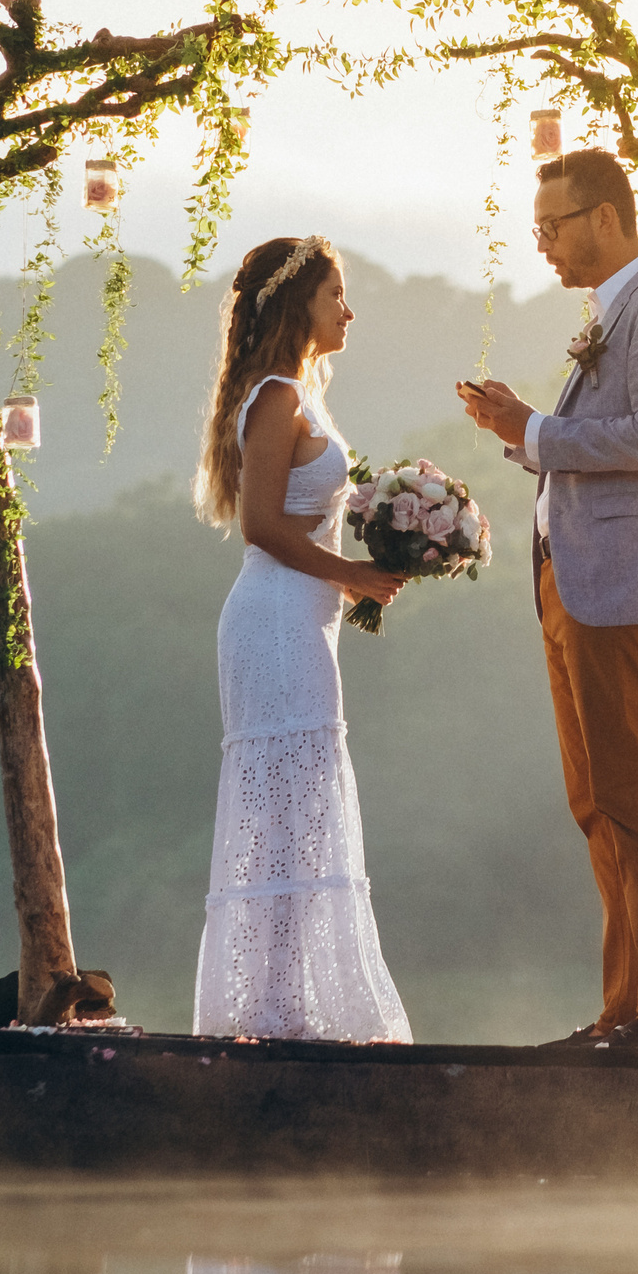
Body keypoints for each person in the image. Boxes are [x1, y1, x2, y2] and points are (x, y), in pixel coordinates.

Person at [456, 150, 638, 1050]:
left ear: (606, 218)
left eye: (553, 227)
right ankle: (625, 1007)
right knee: (595, 799)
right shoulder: (613, 311)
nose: (545, 246)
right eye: (538, 230)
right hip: (572, 582)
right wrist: (523, 428)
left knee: (635, 797)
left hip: (622, 584)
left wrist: (532, 429)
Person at [191, 235, 413, 1043]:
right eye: (335, 295)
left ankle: (284, 1004)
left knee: (302, 806)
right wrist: (352, 575)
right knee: (289, 803)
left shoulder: (298, 396)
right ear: (298, 305)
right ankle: (273, 1011)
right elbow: (261, 527)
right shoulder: (278, 397)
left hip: (300, 615)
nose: (348, 310)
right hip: (278, 617)